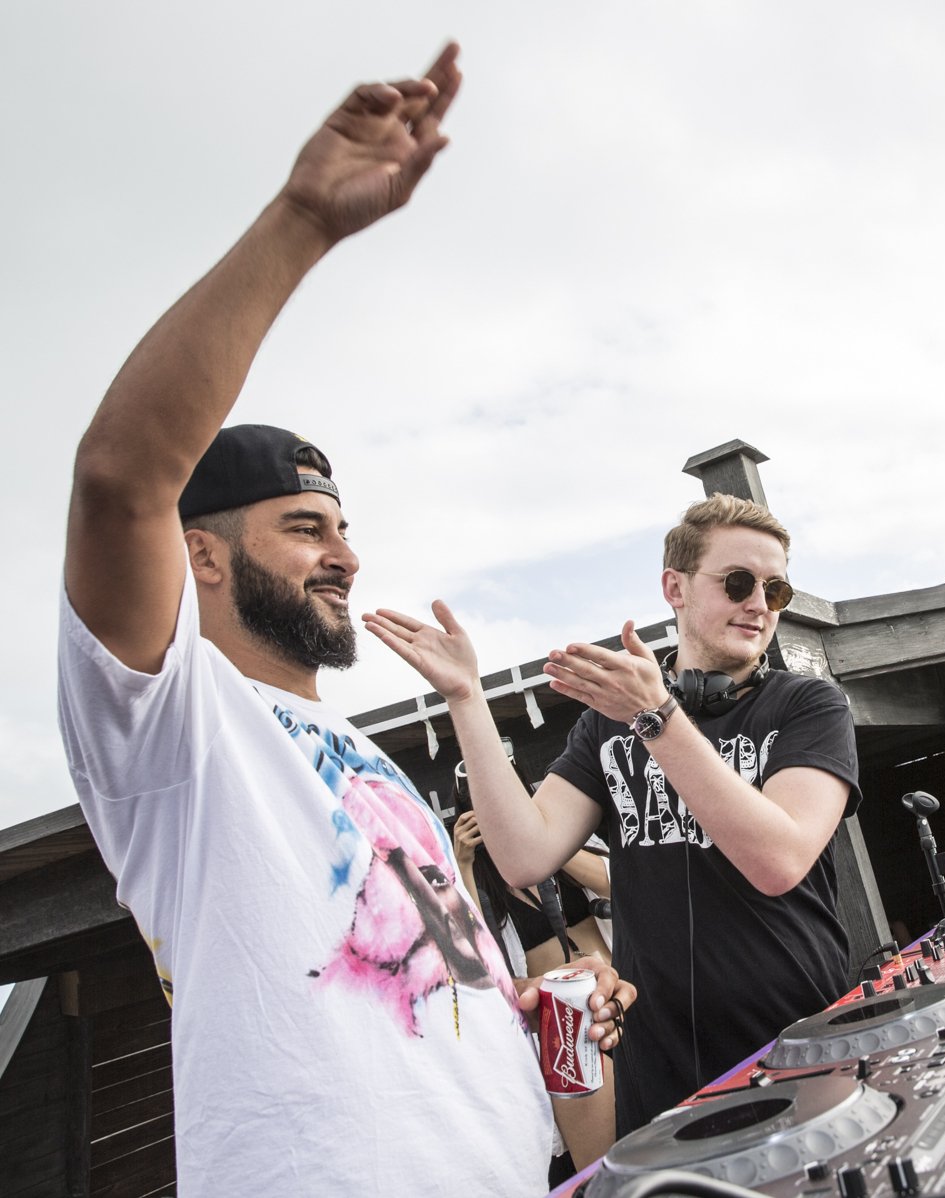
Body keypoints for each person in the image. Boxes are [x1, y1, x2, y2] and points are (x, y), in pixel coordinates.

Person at [56, 45, 634, 1198]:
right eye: (305, 526)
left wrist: (525, 1014)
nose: (347, 554)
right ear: (202, 554)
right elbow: (121, 478)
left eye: (345, 525)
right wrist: (304, 220)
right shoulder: (174, 729)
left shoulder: (367, 757)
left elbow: (413, 992)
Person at [364, 494, 861, 1135]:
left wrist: (657, 721)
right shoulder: (609, 725)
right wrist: (466, 698)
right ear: (673, 588)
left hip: (799, 1051)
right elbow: (522, 855)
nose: (760, 603)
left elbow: (779, 859)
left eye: (777, 589)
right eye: (738, 582)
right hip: (660, 1078)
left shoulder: (809, 707)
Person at [453, 802, 616, 1176]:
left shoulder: (566, 843)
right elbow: (480, 961)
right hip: (566, 1025)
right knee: (605, 1168)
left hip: (619, 990)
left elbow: (616, 880)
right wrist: (463, 864)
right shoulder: (485, 883)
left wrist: (544, 838)